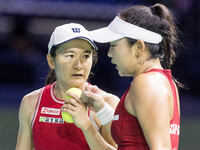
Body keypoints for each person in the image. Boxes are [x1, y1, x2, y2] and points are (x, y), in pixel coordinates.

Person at [62, 3, 181, 150]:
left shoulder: (146, 84)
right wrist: (100, 111)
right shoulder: (161, 82)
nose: (110, 54)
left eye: (114, 45)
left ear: (139, 47)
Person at [15, 23, 119, 150]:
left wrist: (87, 126)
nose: (79, 65)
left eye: (85, 56)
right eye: (70, 55)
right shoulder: (31, 102)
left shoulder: (107, 103)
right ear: (51, 61)